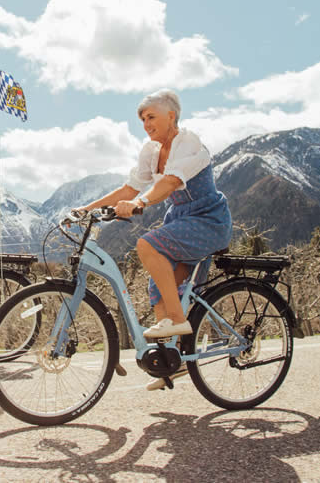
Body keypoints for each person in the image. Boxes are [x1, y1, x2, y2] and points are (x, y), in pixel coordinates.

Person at [76, 89, 232, 389]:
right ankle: (171, 361)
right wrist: (86, 209)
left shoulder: (188, 143)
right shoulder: (151, 152)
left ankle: (177, 319)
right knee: (159, 282)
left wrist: (141, 204)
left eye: (151, 116)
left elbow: (172, 181)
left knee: (147, 244)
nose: (146, 123)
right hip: (182, 221)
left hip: (208, 221)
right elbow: (129, 189)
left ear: (171, 115)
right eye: (142, 119)